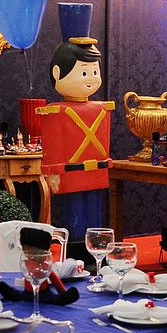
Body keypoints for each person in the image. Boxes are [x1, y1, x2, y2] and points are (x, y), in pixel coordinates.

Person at [37, 35, 113, 235]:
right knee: (75, 211)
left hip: (96, 169)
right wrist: (53, 171)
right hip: (71, 171)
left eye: (94, 72)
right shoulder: (55, 111)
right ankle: (77, 246)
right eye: (84, 72)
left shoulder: (102, 108)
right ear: (57, 73)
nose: (91, 78)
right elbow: (53, 144)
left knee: (95, 210)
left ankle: (95, 243)